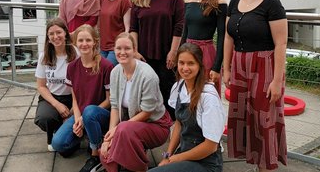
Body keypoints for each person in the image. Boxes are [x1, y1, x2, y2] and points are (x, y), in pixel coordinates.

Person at [223, 0, 288, 171]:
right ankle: (255, 161)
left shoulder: (272, 4)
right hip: (240, 65)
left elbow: (281, 44)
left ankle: (266, 166)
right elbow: (228, 37)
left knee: (263, 119)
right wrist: (227, 68)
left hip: (265, 67)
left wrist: (277, 81)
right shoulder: (235, 1)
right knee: (244, 116)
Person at [100, 32, 173, 172]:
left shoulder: (148, 75)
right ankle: (121, 163)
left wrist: (117, 129)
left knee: (123, 130)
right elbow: (114, 106)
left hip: (156, 124)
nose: (122, 52)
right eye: (118, 48)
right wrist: (109, 137)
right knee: (105, 153)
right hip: (132, 123)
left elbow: (147, 112)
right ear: (114, 50)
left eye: (127, 48)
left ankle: (140, 168)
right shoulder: (115, 72)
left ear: (134, 50)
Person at [148, 43, 225, 172]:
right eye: (181, 63)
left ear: (200, 66)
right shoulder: (178, 87)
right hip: (184, 154)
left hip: (206, 163)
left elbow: (211, 146)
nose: (185, 68)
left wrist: (176, 158)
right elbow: (179, 123)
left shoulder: (208, 97)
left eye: (190, 63)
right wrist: (168, 155)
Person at [51, 24, 114, 172]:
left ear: (95, 42)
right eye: (80, 40)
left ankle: (95, 154)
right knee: (58, 144)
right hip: (82, 114)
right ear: (75, 43)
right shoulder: (72, 67)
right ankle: (88, 135)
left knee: (90, 112)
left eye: (88, 40)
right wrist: (78, 118)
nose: (84, 44)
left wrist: (85, 117)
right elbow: (75, 97)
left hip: (100, 114)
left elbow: (110, 99)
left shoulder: (106, 66)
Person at [130, 0, 185, 119]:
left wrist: (173, 51)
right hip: (144, 56)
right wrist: (134, 51)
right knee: (148, 92)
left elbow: (179, 26)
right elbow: (133, 28)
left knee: (169, 91)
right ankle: (154, 126)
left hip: (167, 54)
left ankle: (173, 127)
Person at [34, 17, 78, 152]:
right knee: (44, 117)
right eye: (51, 34)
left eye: (58, 32)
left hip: (73, 97)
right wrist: (57, 105)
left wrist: (73, 110)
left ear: (65, 33)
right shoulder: (44, 56)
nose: (55, 36)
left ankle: (66, 130)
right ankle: (56, 129)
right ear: (48, 37)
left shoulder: (76, 53)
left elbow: (81, 84)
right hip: (53, 97)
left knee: (66, 151)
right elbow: (41, 86)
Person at [183, 0, 227, 94]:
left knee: (206, 94)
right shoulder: (188, 1)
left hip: (206, 53)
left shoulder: (219, 3)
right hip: (188, 51)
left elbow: (222, 37)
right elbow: (184, 32)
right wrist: (179, 55)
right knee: (187, 94)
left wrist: (217, 66)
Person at [99, 0, 132, 66]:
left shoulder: (124, 0)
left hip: (116, 48)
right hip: (102, 47)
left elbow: (128, 28)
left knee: (107, 71)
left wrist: (123, 47)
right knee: (99, 74)